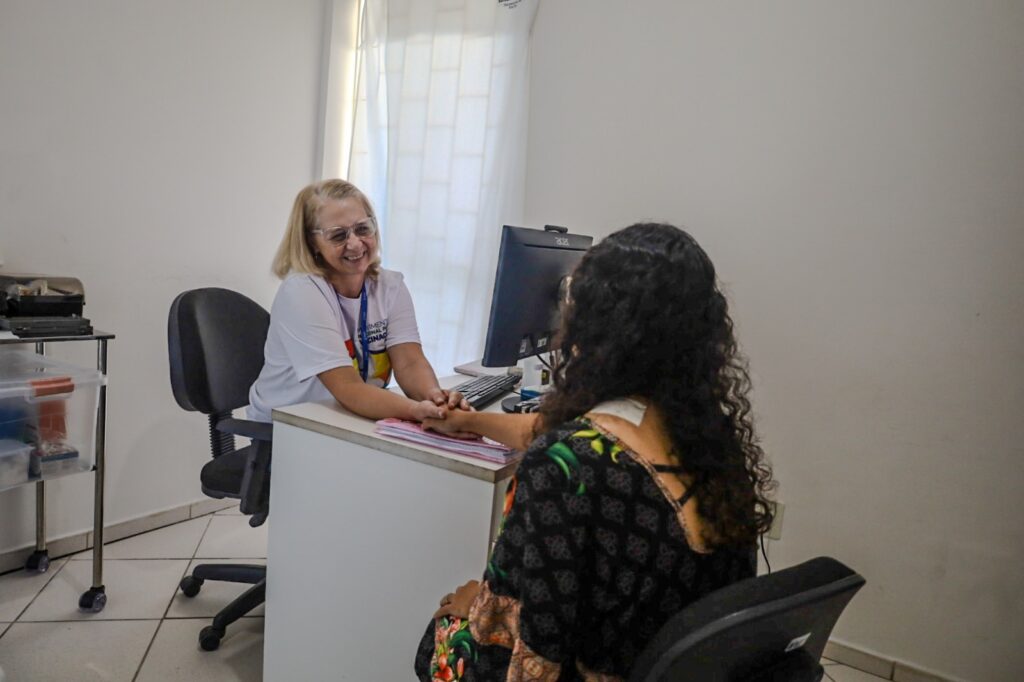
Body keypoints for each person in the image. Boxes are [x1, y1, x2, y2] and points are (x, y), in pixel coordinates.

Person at [414, 223, 776, 680]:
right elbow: (555, 433)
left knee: (438, 636)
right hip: (665, 665)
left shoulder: (562, 466)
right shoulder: (706, 435)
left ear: (591, 325)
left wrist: (475, 611)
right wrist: (470, 421)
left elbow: (531, 656)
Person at [248, 179, 467, 423]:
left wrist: (435, 400)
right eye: (338, 235)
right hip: (287, 428)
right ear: (312, 243)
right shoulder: (301, 292)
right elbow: (347, 387)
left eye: (363, 229)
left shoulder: (390, 286)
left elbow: (409, 362)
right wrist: (417, 411)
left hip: (352, 419)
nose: (354, 243)